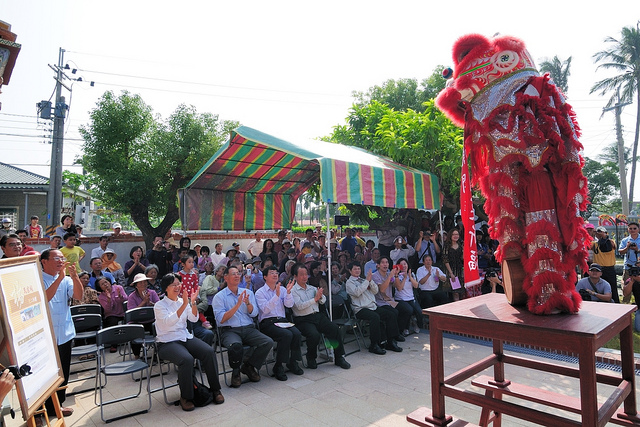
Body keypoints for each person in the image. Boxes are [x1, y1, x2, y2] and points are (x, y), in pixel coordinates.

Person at [155, 273, 224, 410]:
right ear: (166, 288)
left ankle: (215, 389)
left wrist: (192, 303)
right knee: (186, 359)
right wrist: (185, 303)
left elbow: (193, 319)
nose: (177, 287)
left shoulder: (183, 301)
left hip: (184, 337)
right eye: (173, 285)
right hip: (167, 342)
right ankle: (186, 396)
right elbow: (168, 323)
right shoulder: (159, 305)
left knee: (208, 351)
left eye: (178, 284)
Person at [213, 265, 273, 387]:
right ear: (226, 277)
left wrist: (248, 304)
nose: (237, 276)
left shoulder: (248, 293)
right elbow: (221, 319)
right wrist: (238, 304)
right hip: (229, 330)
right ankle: (235, 373)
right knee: (236, 346)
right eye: (233, 274)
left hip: (248, 328)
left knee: (267, 342)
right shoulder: (219, 297)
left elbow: (255, 313)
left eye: (238, 273)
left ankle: (249, 366)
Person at [40, 248, 83, 418]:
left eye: (61, 258)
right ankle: (40, 408)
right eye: (56, 258)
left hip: (64, 332)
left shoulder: (66, 279)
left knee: (62, 372)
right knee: (45, 374)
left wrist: (74, 277)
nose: (60, 261)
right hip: (45, 335)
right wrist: (59, 278)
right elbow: (45, 298)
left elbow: (78, 296)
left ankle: (57, 405)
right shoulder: (38, 278)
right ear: (44, 261)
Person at [290, 263, 351, 370]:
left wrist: (320, 296)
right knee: (314, 335)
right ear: (295, 276)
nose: (304, 277)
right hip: (303, 319)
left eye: (306, 274)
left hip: (317, 315)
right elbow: (299, 306)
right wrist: (315, 299)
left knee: (334, 329)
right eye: (301, 274)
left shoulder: (312, 288)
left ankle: (339, 357)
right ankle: (311, 358)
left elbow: (323, 301)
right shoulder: (292, 291)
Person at [255, 265, 304, 381]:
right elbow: (265, 310)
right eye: (272, 273)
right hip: (268, 322)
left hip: (282, 321)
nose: (275, 274)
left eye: (276, 272)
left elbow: (289, 305)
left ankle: (292, 362)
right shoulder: (260, 292)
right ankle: (278, 366)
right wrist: (276, 296)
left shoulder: (282, 289)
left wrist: (287, 293)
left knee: (296, 333)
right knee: (286, 335)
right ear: (265, 277)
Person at [346, 262, 402, 355]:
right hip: (360, 308)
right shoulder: (349, 282)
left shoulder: (363, 279)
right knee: (375, 317)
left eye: (358, 269)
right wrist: (367, 281)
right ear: (350, 271)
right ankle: (374, 344)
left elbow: (375, 291)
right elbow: (357, 292)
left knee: (390, 314)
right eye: (355, 269)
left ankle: (391, 340)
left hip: (372, 306)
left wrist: (370, 281)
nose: (357, 271)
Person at [372, 256, 407, 343]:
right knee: (394, 313)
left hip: (391, 301)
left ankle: (398, 332)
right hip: (380, 302)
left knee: (406, 310)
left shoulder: (389, 274)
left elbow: (398, 287)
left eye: (387, 262)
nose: (385, 264)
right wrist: (390, 276)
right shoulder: (375, 276)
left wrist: (395, 275)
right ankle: (392, 336)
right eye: (383, 262)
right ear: (378, 265)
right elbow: (382, 289)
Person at [127, 273, 160, 358]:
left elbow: (159, 306)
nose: (143, 284)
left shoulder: (152, 293)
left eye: (145, 282)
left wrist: (150, 303)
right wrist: (144, 302)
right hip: (137, 321)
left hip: (151, 320)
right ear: (136, 285)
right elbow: (131, 312)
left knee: (160, 328)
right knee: (133, 331)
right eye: (140, 282)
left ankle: (158, 353)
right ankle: (137, 355)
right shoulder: (132, 296)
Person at [394, 258, 424, 334]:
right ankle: (405, 327)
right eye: (401, 264)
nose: (403, 266)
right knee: (409, 310)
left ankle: (416, 324)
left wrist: (409, 276)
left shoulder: (412, 274)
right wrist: (404, 278)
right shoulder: (397, 276)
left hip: (411, 298)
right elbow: (399, 288)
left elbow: (416, 286)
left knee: (419, 311)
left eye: (405, 264)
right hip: (400, 299)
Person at [593, 226, 618, 303]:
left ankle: (616, 303)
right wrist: (593, 233)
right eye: (598, 232)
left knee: (612, 288)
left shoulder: (611, 242)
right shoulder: (594, 244)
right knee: (598, 288)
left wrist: (604, 236)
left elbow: (612, 246)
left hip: (609, 268)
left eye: (602, 232)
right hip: (598, 269)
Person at [442, 228, 465, 301]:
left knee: (461, 291)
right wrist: (451, 273)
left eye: (457, 234)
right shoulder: (447, 246)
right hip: (451, 270)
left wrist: (464, 250)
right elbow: (445, 260)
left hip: (459, 269)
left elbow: (462, 258)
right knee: (455, 292)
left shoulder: (460, 245)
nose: (456, 236)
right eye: (454, 234)